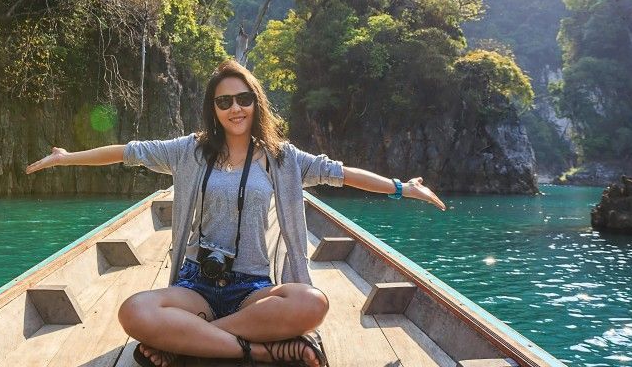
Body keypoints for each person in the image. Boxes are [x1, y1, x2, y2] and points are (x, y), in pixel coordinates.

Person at [25, 59, 446, 367]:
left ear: (255, 102)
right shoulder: (189, 150)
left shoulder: (283, 159)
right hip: (198, 285)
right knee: (133, 311)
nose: (235, 108)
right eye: (224, 101)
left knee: (311, 302)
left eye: (243, 99)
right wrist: (66, 158)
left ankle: (186, 343)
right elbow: (127, 152)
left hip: (252, 288)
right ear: (214, 108)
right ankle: (260, 349)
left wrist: (400, 188)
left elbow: (343, 174)